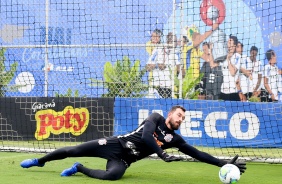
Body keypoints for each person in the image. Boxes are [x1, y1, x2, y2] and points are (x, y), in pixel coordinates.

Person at [20, 105, 246, 180]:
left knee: (113, 176)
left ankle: (79, 168)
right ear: (170, 115)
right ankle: (40, 161)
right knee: (73, 148)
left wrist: (223, 164)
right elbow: (147, 137)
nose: (181, 119)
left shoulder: (174, 139)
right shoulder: (156, 117)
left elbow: (196, 153)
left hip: (125, 159)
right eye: (179, 115)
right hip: (114, 144)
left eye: (183, 118)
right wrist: (162, 154)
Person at [146, 32, 181, 98]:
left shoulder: (176, 53)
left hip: (169, 88)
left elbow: (181, 71)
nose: (175, 43)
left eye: (175, 41)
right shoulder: (158, 49)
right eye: (174, 40)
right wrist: (157, 65)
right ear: (168, 40)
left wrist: (180, 69)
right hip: (156, 88)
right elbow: (147, 67)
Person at [220, 35, 241, 101]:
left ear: (234, 45)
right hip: (223, 91)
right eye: (228, 42)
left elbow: (232, 73)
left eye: (230, 42)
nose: (228, 43)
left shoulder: (237, 56)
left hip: (233, 92)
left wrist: (228, 60)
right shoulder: (224, 57)